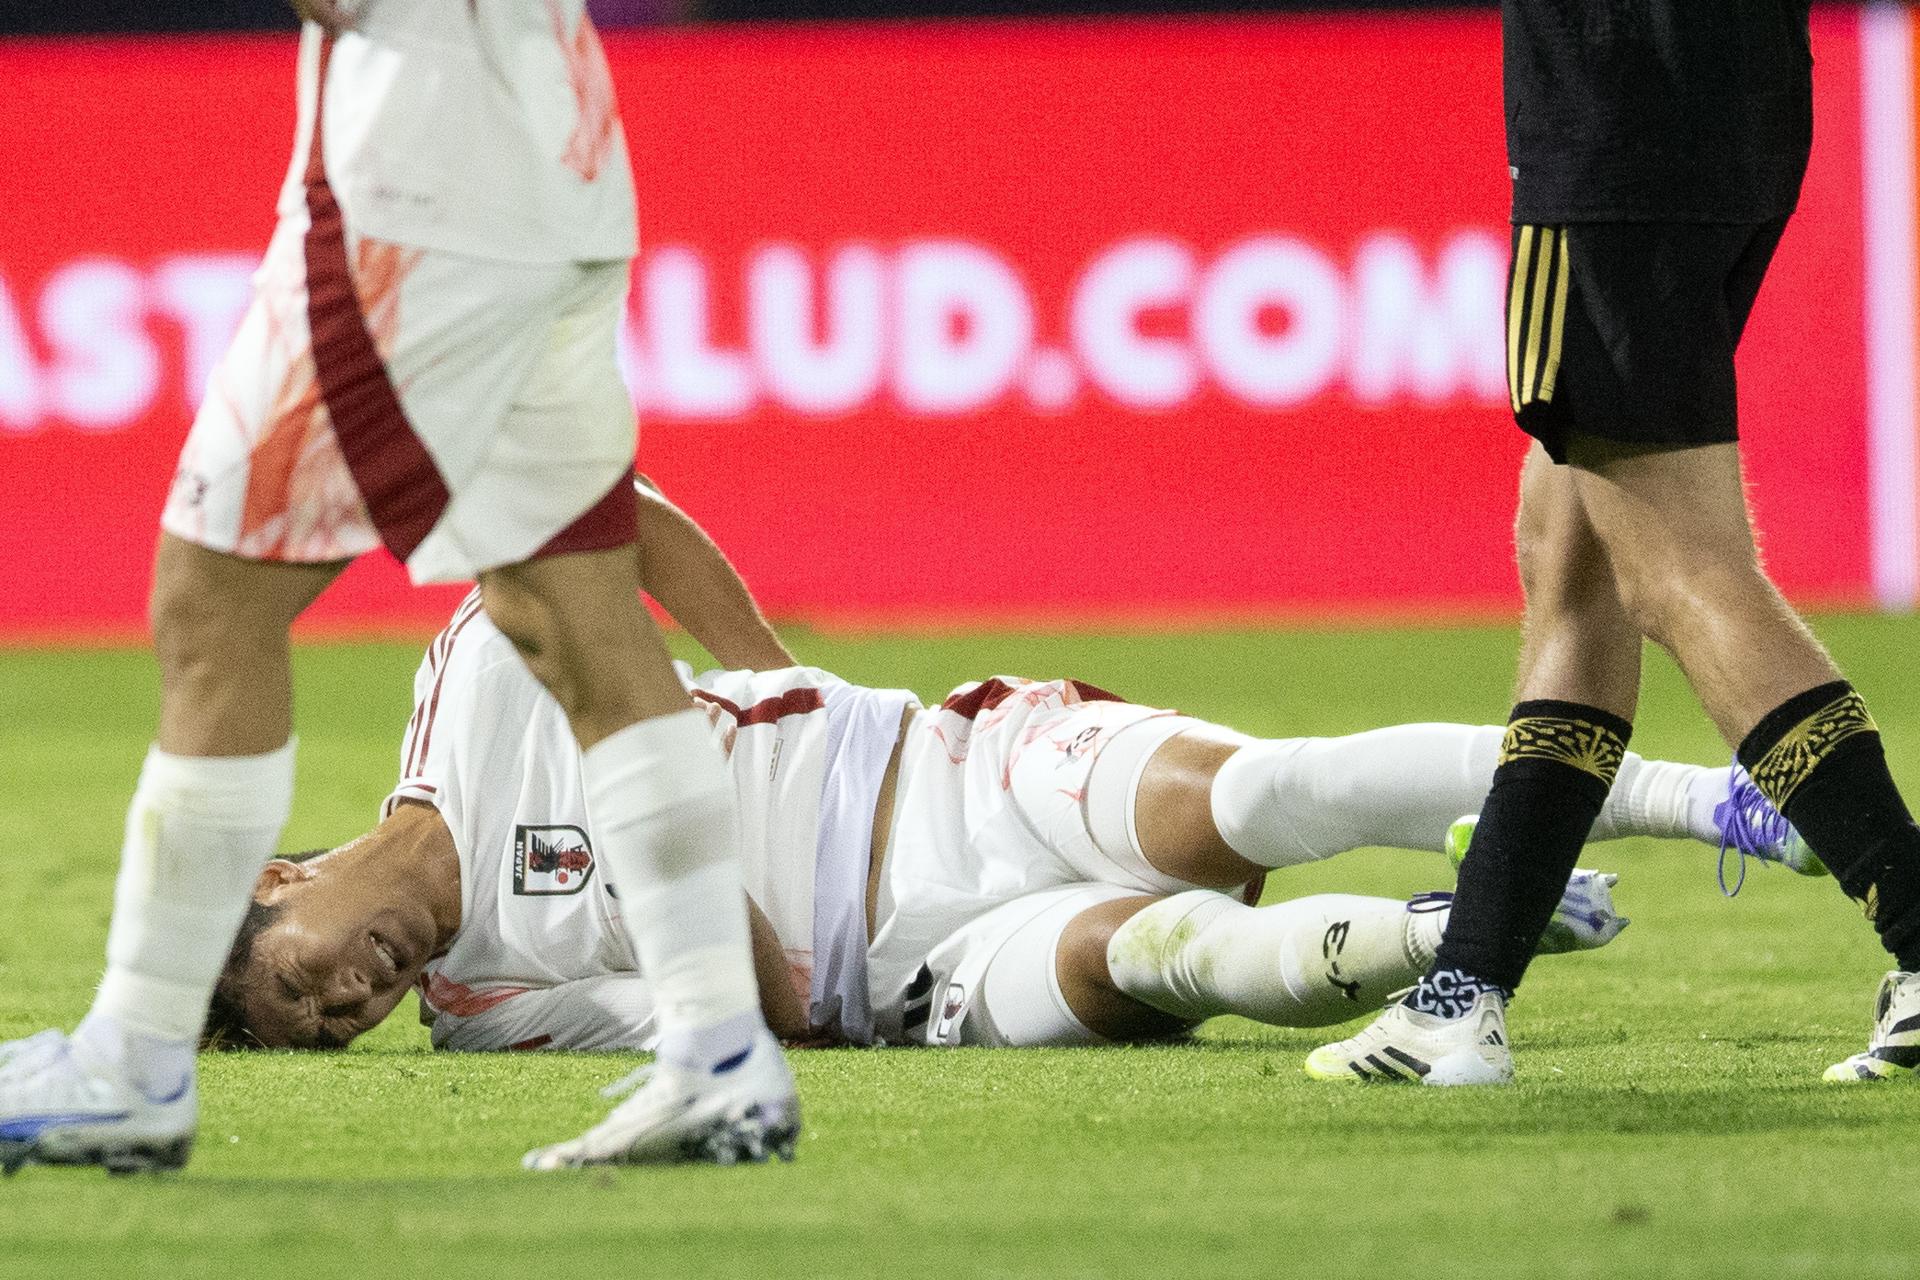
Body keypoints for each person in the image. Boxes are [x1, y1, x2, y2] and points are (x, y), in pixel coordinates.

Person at [200, 488, 1817, 1067]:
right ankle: (1461, 935)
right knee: (1166, 958)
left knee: (1254, 800)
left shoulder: (474, 679)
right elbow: (759, 1010)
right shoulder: (488, 1009)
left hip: (953, 775)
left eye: (298, 980)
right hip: (920, 973)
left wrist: (761, 664)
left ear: (278, 884)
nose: (349, 999)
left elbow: (603, 516)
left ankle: (1714, 801)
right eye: (327, 1029)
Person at [0, 0, 795, 1177]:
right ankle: (720, 1048)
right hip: (556, 147)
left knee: (213, 599)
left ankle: (135, 1057)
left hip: (419, 177)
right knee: (566, 607)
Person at [1310, 0, 1920, 1087]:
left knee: (1678, 569)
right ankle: (1466, 991)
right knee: (1571, 555)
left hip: (1610, 111)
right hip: (1742, 96)